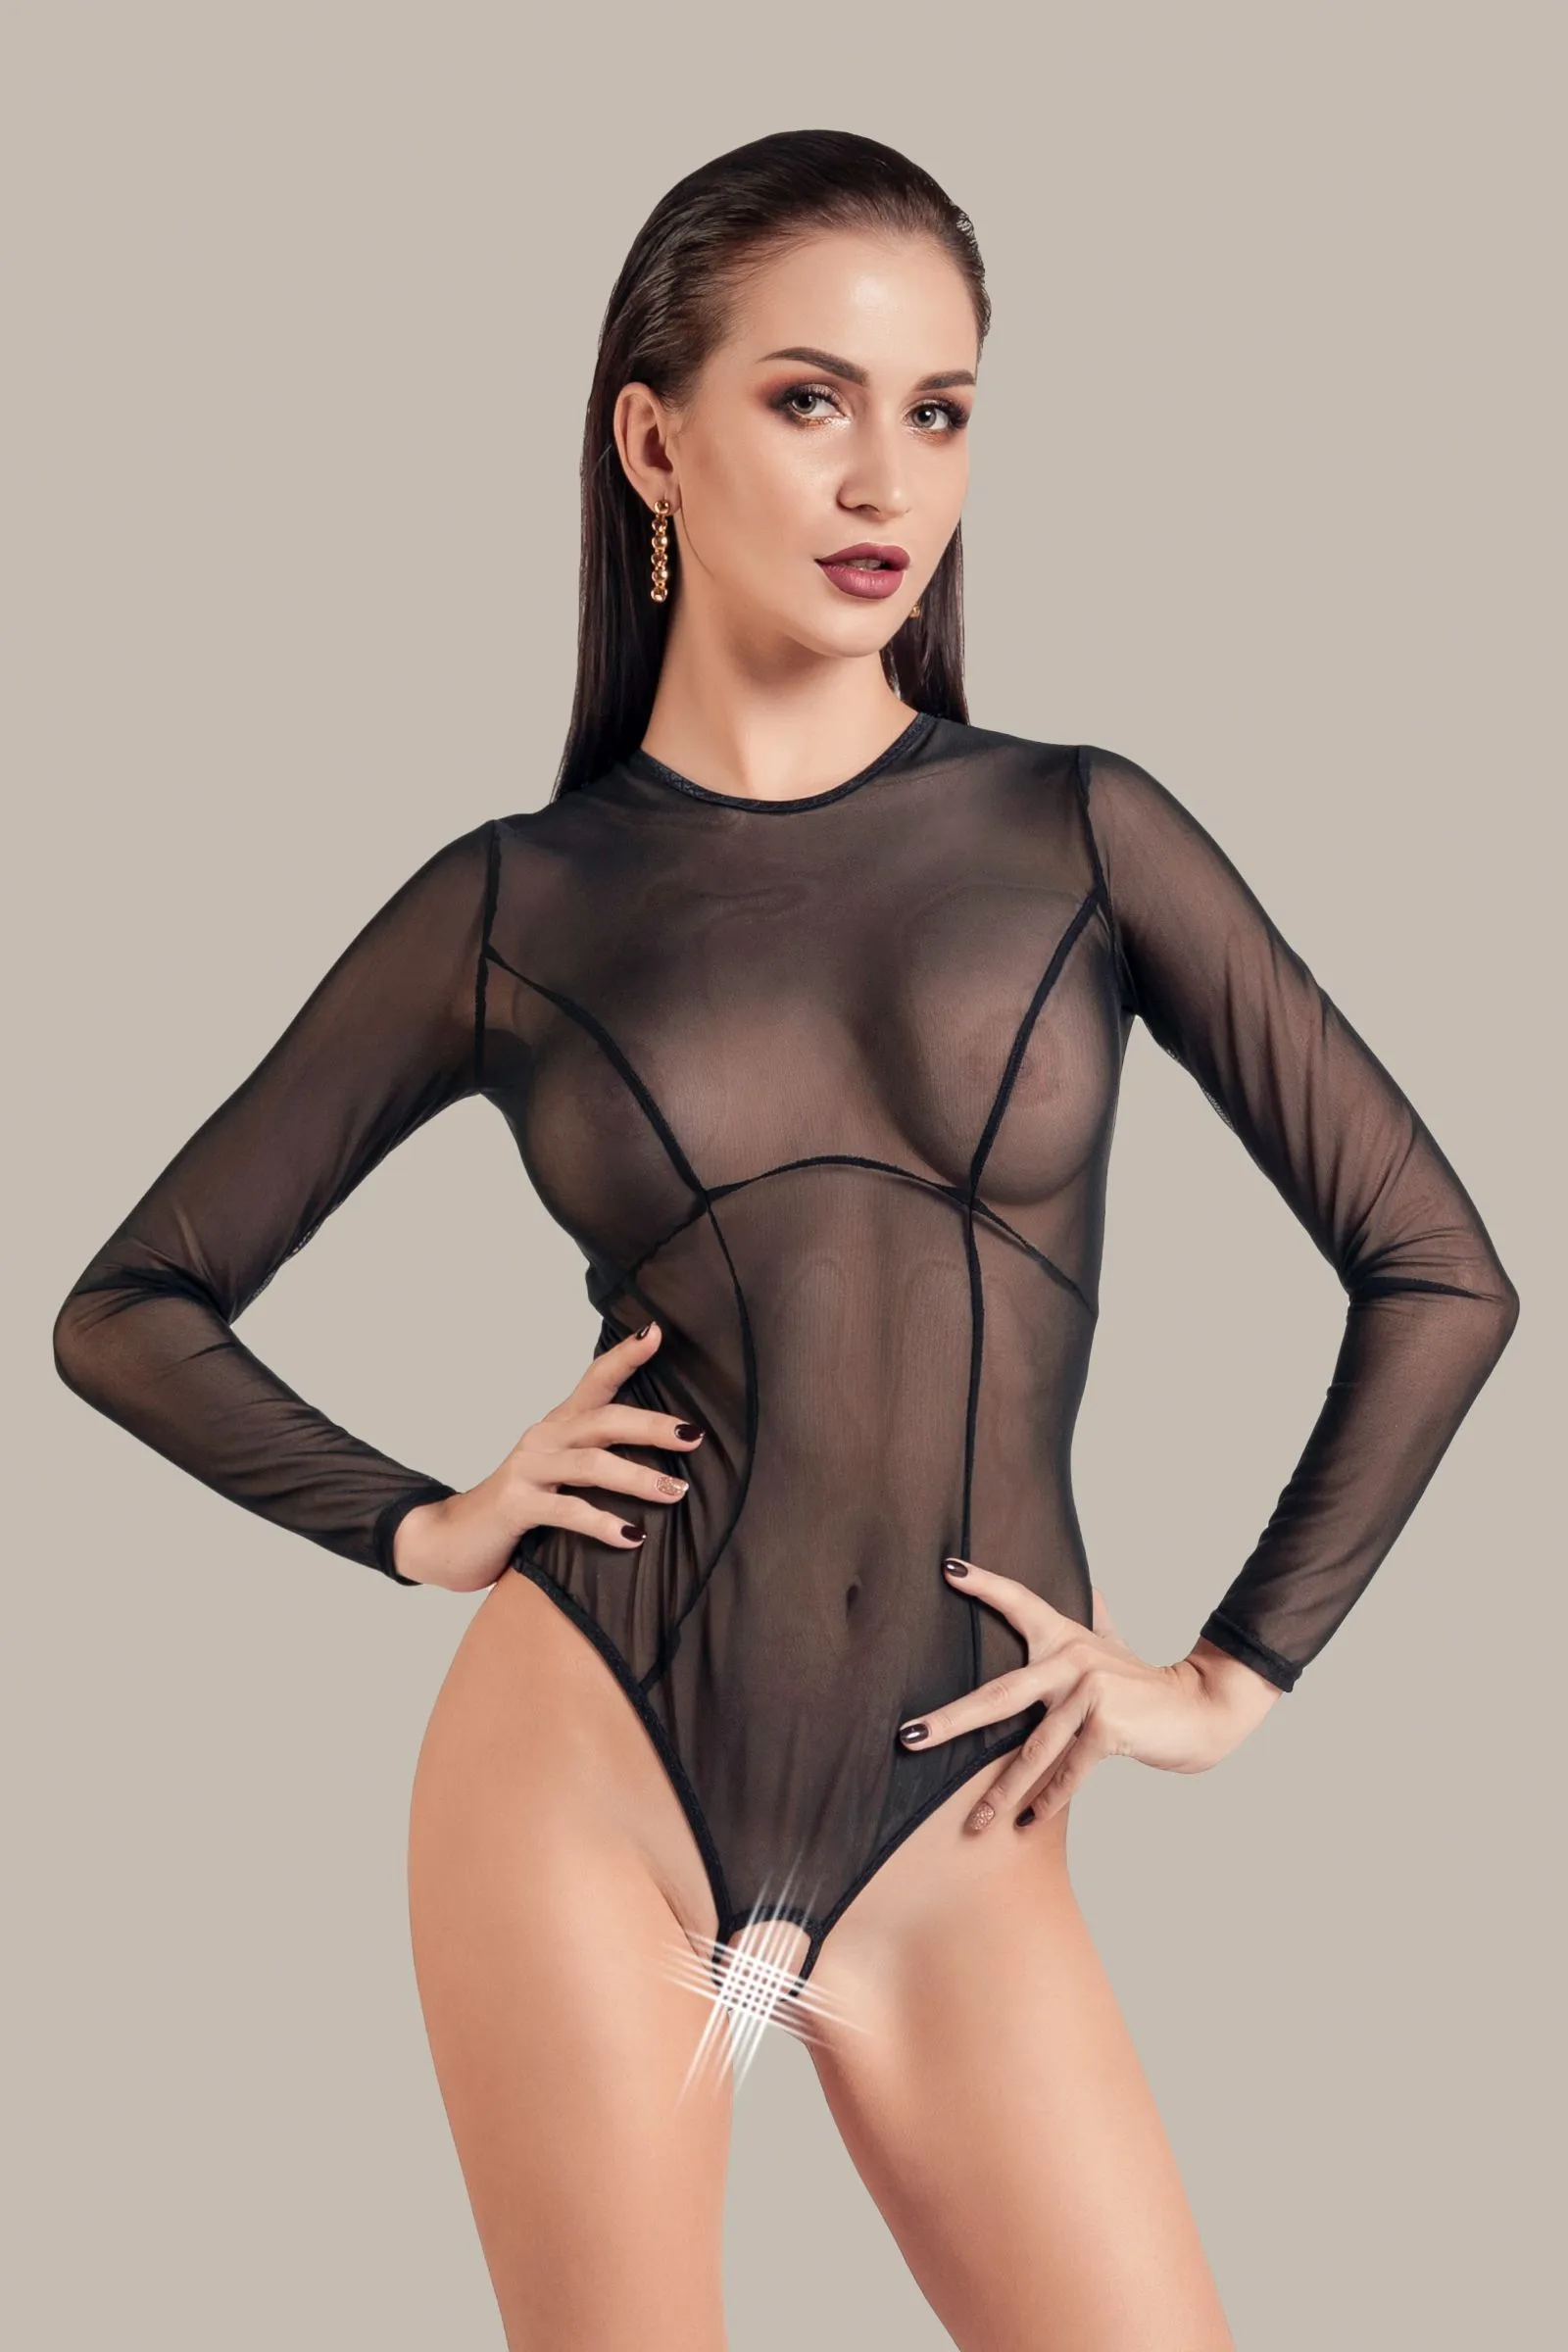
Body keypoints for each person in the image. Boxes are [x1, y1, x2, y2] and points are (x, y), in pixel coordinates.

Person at [53, 127, 1518, 2352]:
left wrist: (1228, 1680)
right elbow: (128, 1309)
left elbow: (1438, 1270)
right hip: (590, 1774)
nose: (883, 480)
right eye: (809, 398)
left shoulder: (1081, 831)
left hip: (960, 1833)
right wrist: (423, 1523)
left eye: (937, 411)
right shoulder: (514, 903)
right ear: (654, 444)